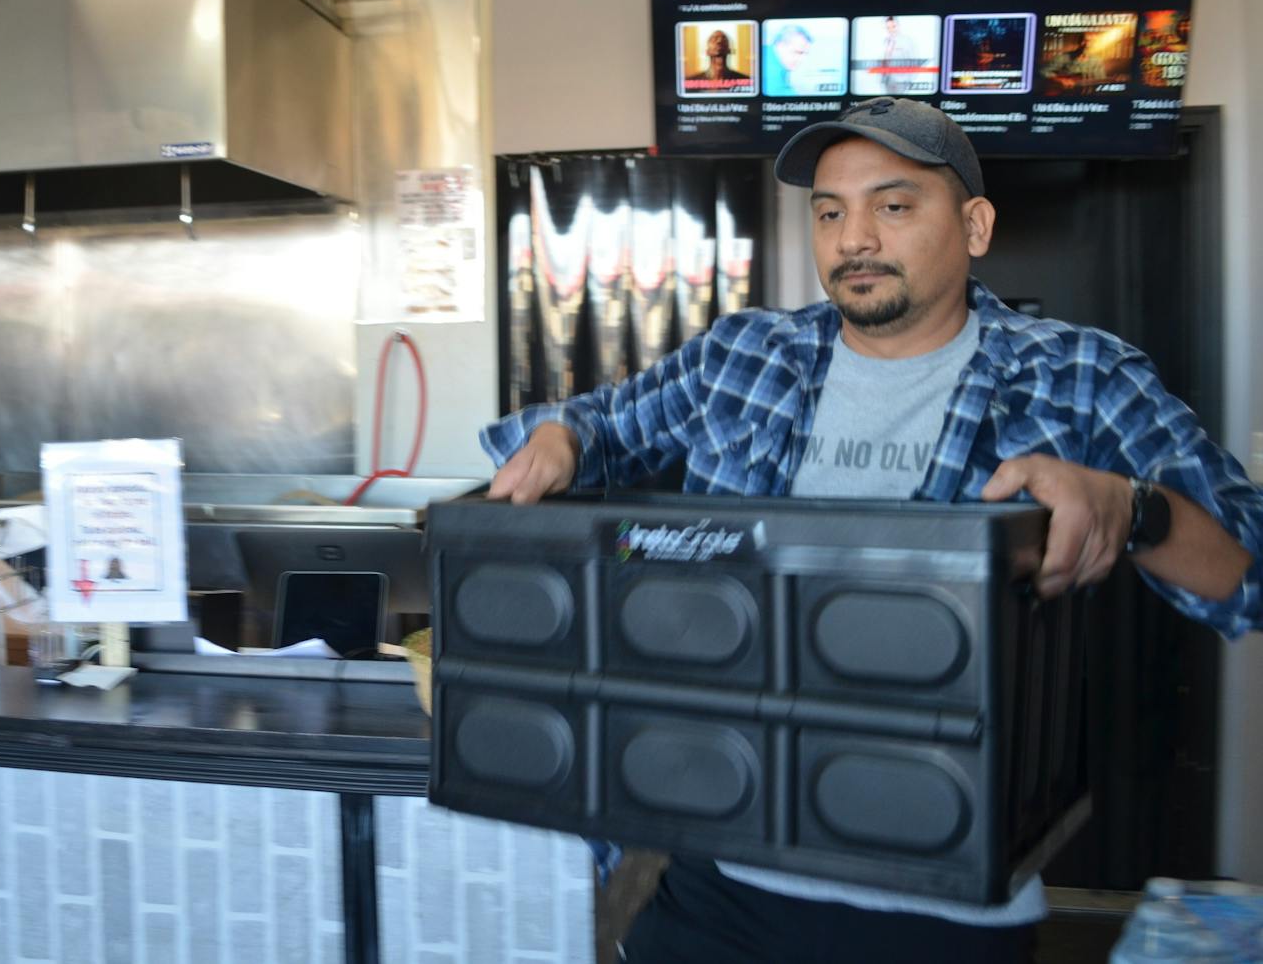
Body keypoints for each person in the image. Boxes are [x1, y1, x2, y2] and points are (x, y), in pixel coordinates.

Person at [479, 97, 1263, 963]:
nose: (854, 238)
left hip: (943, 906)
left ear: (974, 225)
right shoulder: (744, 354)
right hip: (716, 875)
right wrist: (562, 439)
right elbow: (604, 426)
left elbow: (1248, 570)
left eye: (892, 206)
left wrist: (1133, 507)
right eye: (829, 211)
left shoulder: (1079, 376)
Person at [763, 23, 814, 96]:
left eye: (805, 54)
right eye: (798, 52)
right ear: (780, 45)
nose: (802, 59)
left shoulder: (765, 51)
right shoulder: (772, 73)